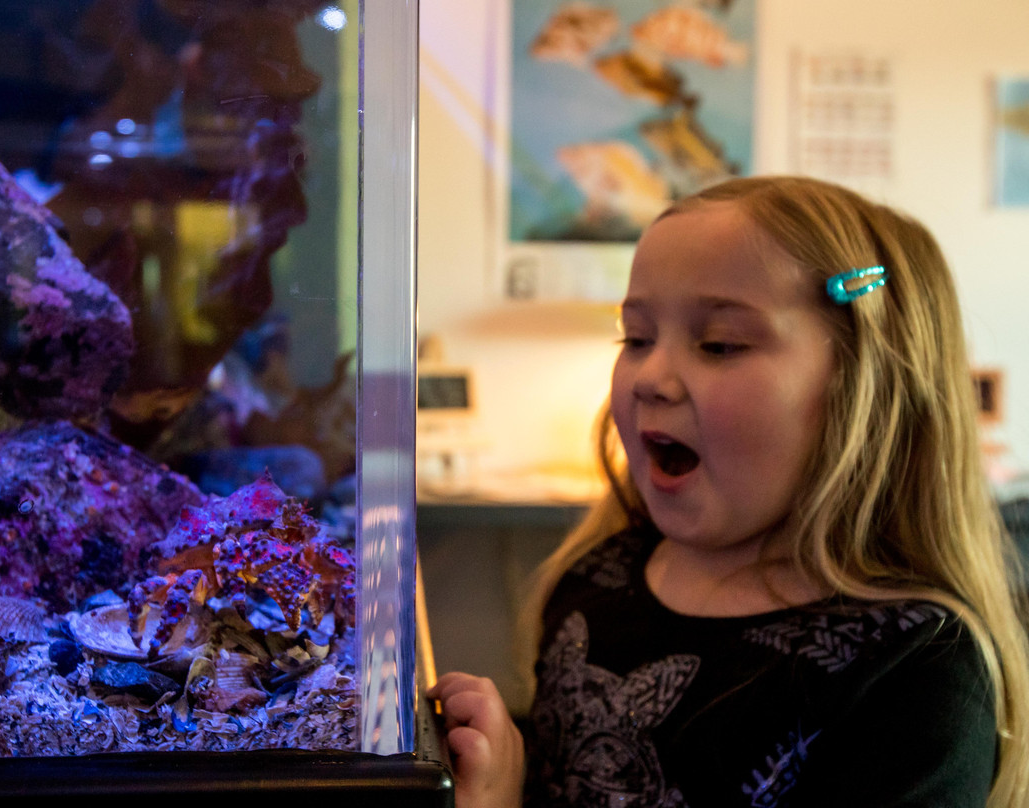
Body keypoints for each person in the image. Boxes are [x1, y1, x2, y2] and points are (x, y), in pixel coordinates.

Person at [428, 175, 1029, 808]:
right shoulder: (597, 578)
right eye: (635, 337)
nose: (651, 378)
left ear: (864, 389)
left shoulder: (917, 672)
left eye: (720, 344)